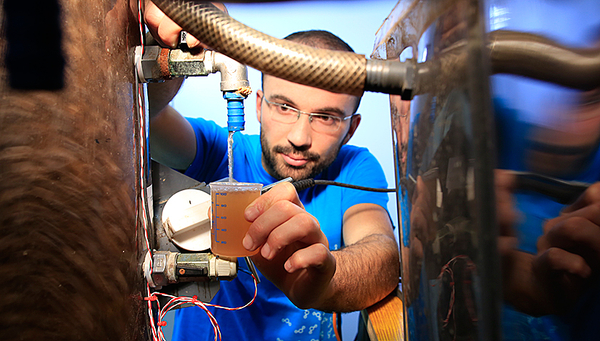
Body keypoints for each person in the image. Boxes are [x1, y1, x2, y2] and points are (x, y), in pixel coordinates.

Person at [143, 2, 400, 340]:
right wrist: (172, 39)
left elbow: (381, 253)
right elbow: (147, 112)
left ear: (350, 129)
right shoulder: (221, 150)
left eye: (325, 117)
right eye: (284, 106)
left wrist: (326, 281)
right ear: (259, 104)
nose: (299, 137)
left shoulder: (355, 166)